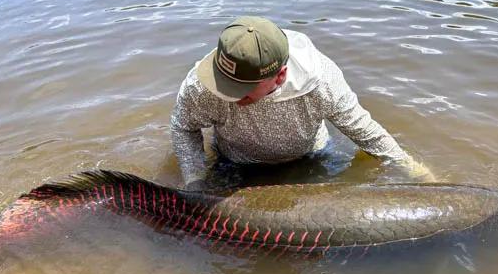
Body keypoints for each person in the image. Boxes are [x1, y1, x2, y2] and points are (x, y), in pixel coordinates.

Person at [170, 15, 434, 190]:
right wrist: (195, 181)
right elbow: (184, 127)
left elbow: (363, 129)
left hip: (310, 158)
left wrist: (415, 171)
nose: (228, 95)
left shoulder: (321, 81)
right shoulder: (201, 85)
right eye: (225, 85)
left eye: (242, 90)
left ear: (280, 76)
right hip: (235, 164)